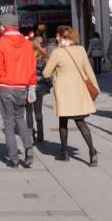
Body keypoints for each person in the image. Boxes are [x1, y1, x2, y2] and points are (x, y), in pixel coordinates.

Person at [43, 26, 100, 165]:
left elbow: (46, 73)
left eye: (57, 36)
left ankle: (64, 152)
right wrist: (95, 87)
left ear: (61, 37)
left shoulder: (57, 53)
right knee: (80, 122)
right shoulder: (80, 50)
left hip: (64, 93)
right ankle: (92, 151)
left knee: (63, 122)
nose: (56, 38)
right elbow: (89, 70)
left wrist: (55, 69)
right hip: (79, 91)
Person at [0, 14, 37, 168]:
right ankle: (28, 147)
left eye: (0, 25)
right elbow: (32, 67)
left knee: (8, 122)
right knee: (20, 118)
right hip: (22, 87)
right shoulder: (27, 44)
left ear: (5, 26)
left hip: (6, 87)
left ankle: (13, 158)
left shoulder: (1, 43)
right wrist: (32, 87)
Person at [26, 33, 49, 143]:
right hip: (39, 87)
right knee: (38, 111)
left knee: (29, 112)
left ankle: (30, 134)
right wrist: (49, 85)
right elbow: (46, 74)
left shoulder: (25, 58)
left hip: (28, 86)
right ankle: (41, 134)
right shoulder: (42, 58)